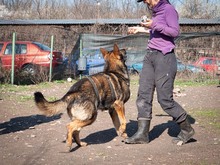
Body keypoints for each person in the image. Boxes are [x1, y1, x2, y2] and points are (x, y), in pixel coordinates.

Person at [125, 0, 195, 145]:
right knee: (143, 94)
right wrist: (141, 29)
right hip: (150, 55)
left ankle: (187, 129)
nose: (145, 2)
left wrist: (153, 24)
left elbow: (174, 32)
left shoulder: (168, 9)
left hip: (165, 57)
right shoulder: (156, 11)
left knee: (165, 100)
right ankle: (142, 134)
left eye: (146, 0)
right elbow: (157, 31)